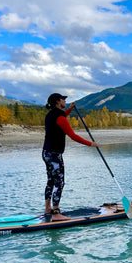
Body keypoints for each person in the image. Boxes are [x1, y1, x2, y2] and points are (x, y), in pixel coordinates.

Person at [43, 93, 99, 221]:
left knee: (51, 181)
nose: (65, 101)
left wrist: (70, 109)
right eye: (63, 99)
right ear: (58, 101)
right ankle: (56, 213)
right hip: (54, 154)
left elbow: (61, 118)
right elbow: (73, 136)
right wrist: (91, 144)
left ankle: (48, 209)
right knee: (59, 182)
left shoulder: (51, 115)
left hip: (46, 153)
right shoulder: (60, 118)